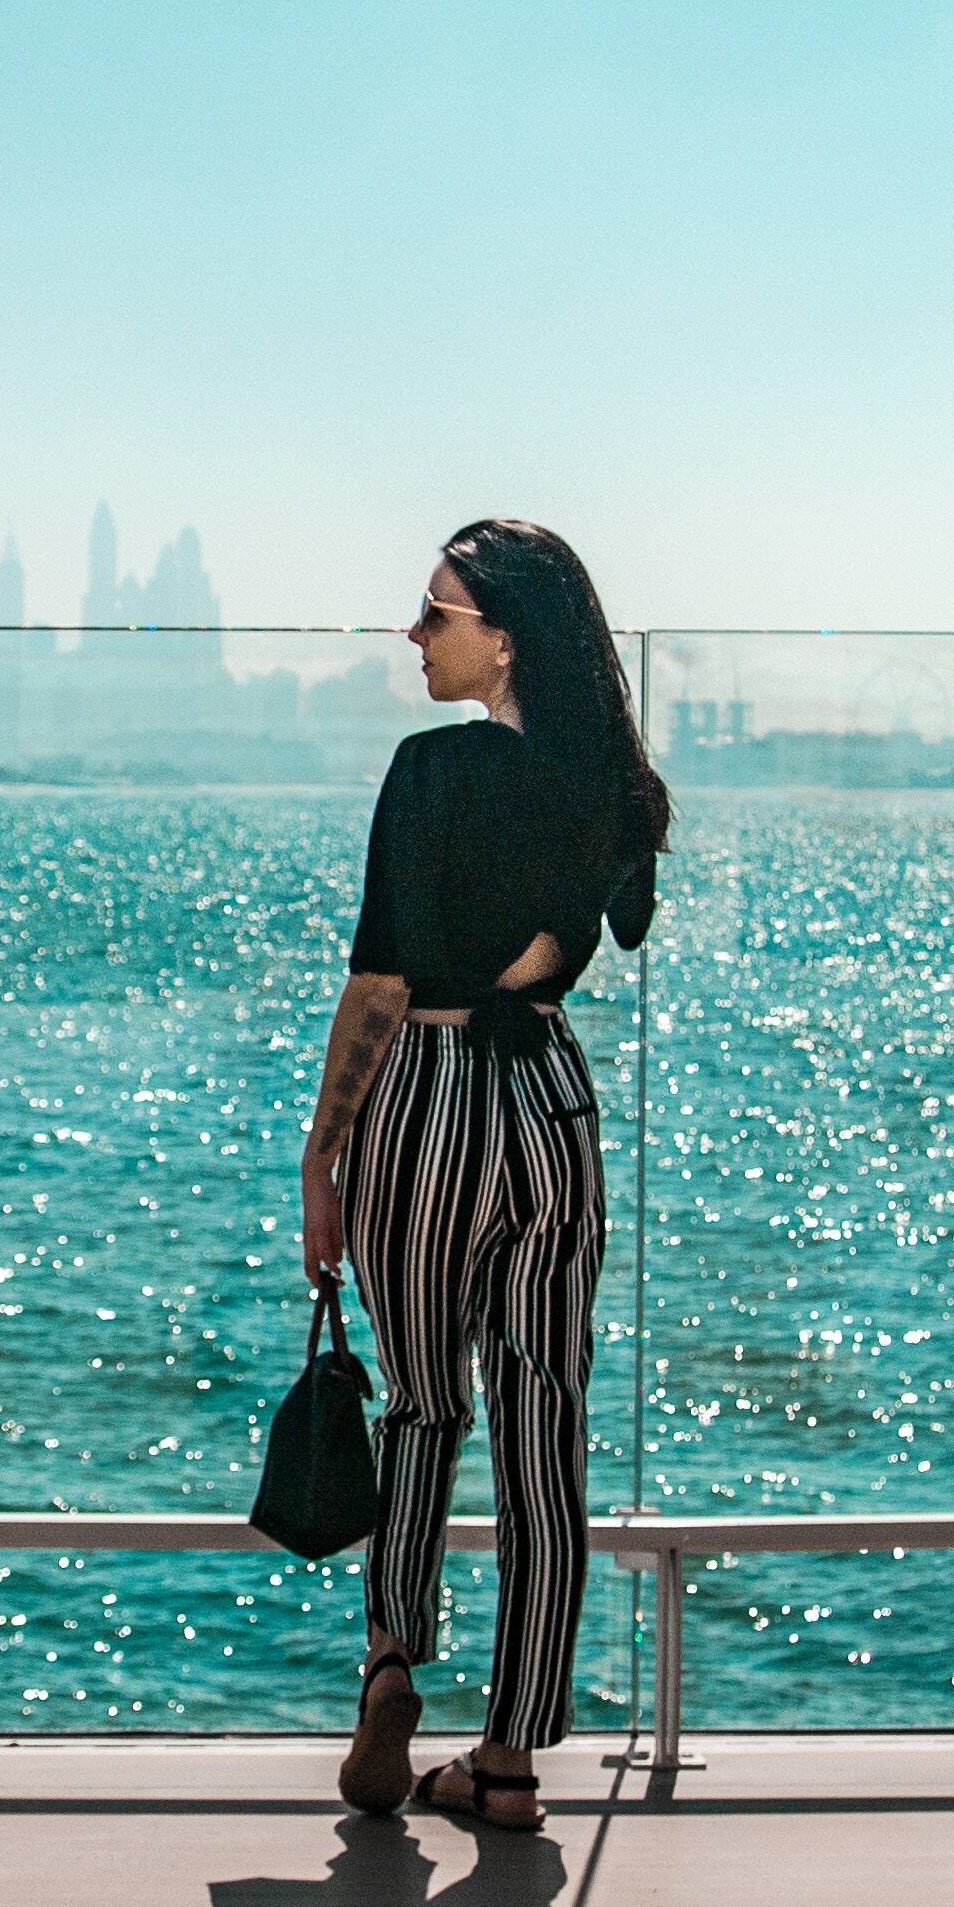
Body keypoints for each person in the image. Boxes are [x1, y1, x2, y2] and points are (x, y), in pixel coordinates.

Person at [298, 519, 668, 1832]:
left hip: (434, 1098)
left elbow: (385, 977)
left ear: (500, 637)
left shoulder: (430, 773)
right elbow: (605, 928)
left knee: (422, 1409)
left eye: (435, 612)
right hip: (553, 1104)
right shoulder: (614, 784)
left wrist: (322, 1151)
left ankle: (394, 1657)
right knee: (544, 1432)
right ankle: (510, 1760)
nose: (414, 632)